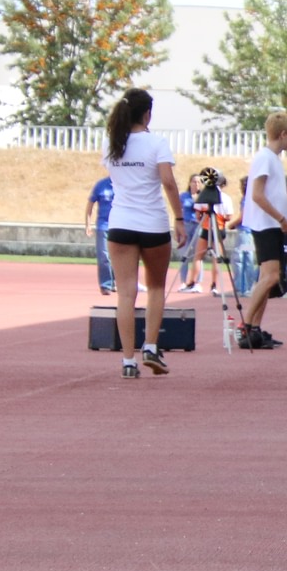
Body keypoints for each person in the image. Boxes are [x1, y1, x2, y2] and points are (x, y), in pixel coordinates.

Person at [100, 89, 186, 379]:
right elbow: (169, 183)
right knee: (157, 288)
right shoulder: (156, 143)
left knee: (125, 293)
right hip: (152, 223)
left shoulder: (112, 144)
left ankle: (127, 360)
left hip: (121, 222)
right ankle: (150, 345)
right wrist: (180, 218)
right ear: (147, 113)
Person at [237, 112, 287, 349]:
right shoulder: (265, 157)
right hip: (266, 224)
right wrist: (282, 218)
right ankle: (246, 325)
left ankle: (255, 328)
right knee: (271, 277)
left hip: (273, 225)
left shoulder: (273, 158)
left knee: (268, 278)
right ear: (282, 134)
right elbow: (257, 194)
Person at [183, 169, 231, 295]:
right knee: (217, 258)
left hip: (206, 228)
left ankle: (192, 282)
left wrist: (206, 217)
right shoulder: (226, 198)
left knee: (198, 256)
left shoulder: (203, 196)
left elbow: (198, 214)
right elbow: (229, 216)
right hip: (219, 229)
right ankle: (214, 285)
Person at [84, 173, 116, 296]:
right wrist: (88, 224)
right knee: (104, 255)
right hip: (104, 225)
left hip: (119, 225)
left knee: (118, 256)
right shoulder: (101, 185)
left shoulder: (124, 184)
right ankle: (106, 284)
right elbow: (89, 206)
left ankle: (116, 281)